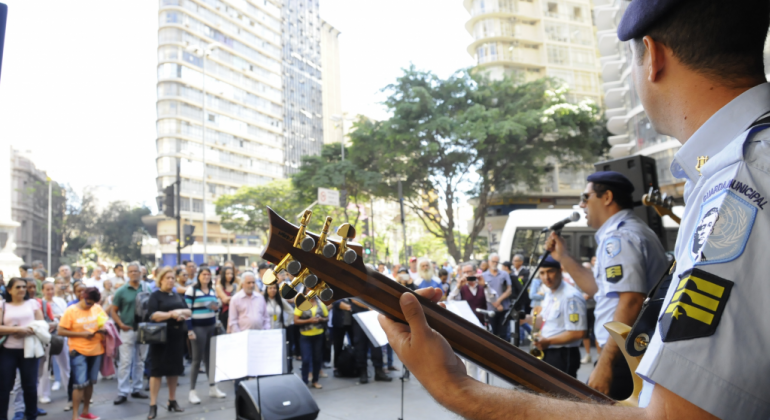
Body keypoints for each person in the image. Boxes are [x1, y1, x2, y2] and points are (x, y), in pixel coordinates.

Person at [379, 0, 770, 418]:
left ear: (652, 57)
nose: (581, 204)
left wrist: (456, 389)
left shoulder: (737, 185)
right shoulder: (736, 169)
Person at [546, 171, 668, 399]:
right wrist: (563, 257)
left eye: (586, 196)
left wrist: (605, 364)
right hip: (625, 353)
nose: (581, 205)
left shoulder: (620, 237)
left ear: (607, 197)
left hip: (624, 356)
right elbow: (598, 290)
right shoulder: (624, 232)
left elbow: (631, 300)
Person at [530, 256, 586, 378]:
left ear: (560, 271)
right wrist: (526, 319)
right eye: (542, 273)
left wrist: (548, 341)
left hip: (563, 354)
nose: (546, 277)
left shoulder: (570, 296)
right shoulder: (550, 292)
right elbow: (546, 321)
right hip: (548, 351)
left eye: (550, 271)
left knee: (561, 395)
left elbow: (578, 332)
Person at [57, 287, 107, 420]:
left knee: (90, 382)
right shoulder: (71, 310)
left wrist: (103, 329)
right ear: (82, 297)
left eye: (92, 303)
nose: (90, 305)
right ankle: (75, 416)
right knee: (79, 384)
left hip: (96, 349)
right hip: (78, 350)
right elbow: (60, 331)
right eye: (88, 302)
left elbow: (104, 323)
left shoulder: (97, 308)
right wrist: (82, 334)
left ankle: (85, 412)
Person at [146, 267, 188, 419]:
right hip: (159, 338)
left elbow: (188, 312)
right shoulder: (155, 296)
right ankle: (153, 405)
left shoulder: (177, 296)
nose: (170, 280)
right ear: (161, 280)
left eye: (172, 278)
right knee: (156, 372)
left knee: (174, 370)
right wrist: (172, 314)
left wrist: (180, 313)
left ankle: (172, 400)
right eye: (167, 278)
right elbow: (153, 315)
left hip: (176, 337)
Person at [0, 278, 45, 420]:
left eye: (24, 287)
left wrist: (26, 331)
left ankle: (31, 416)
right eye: (18, 287)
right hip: (8, 351)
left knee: (30, 387)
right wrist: (16, 330)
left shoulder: (33, 303)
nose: (22, 289)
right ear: (9, 290)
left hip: (30, 350)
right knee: (4, 387)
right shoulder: (3, 305)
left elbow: (42, 325)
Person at [109, 262, 150, 405]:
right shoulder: (121, 291)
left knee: (140, 361)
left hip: (143, 329)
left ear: (140, 273)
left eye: (136, 271)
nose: (133, 273)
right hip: (127, 330)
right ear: (127, 274)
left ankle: (137, 388)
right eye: (131, 271)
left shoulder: (147, 288)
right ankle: (122, 392)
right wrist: (120, 324)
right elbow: (113, 311)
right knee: (125, 362)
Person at [185, 268, 226, 404]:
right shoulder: (192, 290)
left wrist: (216, 308)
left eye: (209, 274)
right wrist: (190, 330)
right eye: (204, 274)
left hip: (211, 326)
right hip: (198, 328)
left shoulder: (212, 290)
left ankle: (212, 387)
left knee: (210, 359)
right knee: (197, 360)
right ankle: (192, 391)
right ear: (199, 276)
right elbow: (187, 312)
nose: (206, 276)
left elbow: (217, 309)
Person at [293, 297, 328, 389]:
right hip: (305, 336)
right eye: (308, 289)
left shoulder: (321, 303)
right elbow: (296, 320)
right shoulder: (301, 303)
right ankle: (304, 380)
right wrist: (309, 320)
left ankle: (315, 380)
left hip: (318, 335)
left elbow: (326, 317)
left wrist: (321, 319)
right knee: (306, 359)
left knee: (317, 359)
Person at [481, 253, 512, 341]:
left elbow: (509, 290)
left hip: (504, 307)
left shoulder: (504, 274)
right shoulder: (484, 275)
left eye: (497, 262)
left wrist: (498, 301)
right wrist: (496, 304)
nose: (495, 263)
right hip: (491, 309)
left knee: (504, 334)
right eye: (493, 261)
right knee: (492, 334)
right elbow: (485, 291)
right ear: (489, 262)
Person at [263, 282, 293, 372]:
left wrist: (286, 324)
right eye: (270, 288)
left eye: (275, 288)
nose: (272, 290)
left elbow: (291, 311)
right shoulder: (262, 300)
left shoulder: (280, 300)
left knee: (277, 354)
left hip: (278, 332)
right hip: (266, 333)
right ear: (266, 290)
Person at [216, 266, 237, 331]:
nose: (230, 275)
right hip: (225, 314)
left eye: (231, 273)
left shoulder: (235, 286)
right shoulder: (219, 286)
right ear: (223, 274)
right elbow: (225, 300)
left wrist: (230, 298)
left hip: (236, 313)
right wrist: (234, 298)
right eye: (227, 273)